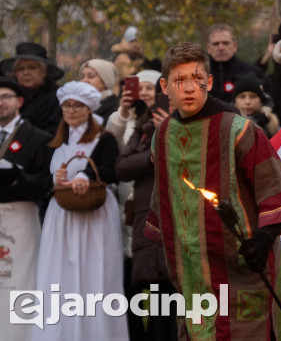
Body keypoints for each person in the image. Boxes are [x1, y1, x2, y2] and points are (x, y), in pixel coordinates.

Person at [145, 41, 281, 340]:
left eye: (196, 79)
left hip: (242, 266)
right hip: (190, 269)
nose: (189, 88)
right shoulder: (162, 135)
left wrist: (264, 238)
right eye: (180, 80)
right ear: (165, 86)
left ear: (208, 82)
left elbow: (273, 185)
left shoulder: (239, 130)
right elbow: (164, 196)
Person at [34, 81, 126, 339]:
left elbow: (111, 169)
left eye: (78, 106)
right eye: (67, 106)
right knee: (60, 274)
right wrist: (56, 179)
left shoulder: (103, 139)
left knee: (95, 272)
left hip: (95, 214)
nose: (71, 111)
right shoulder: (54, 140)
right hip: (61, 215)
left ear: (88, 109)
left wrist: (85, 176)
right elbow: (39, 178)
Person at [115, 88, 176, 341]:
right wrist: (151, 157)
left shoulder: (199, 124)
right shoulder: (145, 127)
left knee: (181, 297)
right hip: (148, 218)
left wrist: (172, 132)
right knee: (158, 293)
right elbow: (121, 167)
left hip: (182, 217)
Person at [0, 77, 52, 341]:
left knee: (19, 280)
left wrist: (18, 176)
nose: (0, 103)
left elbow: (45, 183)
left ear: (19, 102)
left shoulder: (38, 138)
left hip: (22, 217)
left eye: (5, 97)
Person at [0, 42, 62, 135]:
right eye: (20, 69)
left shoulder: (57, 100)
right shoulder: (10, 96)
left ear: (44, 71)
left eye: (32, 67)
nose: (26, 73)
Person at [106, 64, 162, 149]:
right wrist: (123, 113)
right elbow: (111, 143)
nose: (143, 93)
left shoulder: (166, 117)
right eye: (139, 89)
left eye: (150, 88)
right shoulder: (127, 117)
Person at [205, 23, 263, 102]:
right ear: (208, 47)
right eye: (215, 44)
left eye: (226, 43)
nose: (221, 48)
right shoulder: (199, 74)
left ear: (235, 46)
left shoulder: (253, 72)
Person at [77, 58, 121, 124]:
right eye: (82, 76)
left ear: (105, 81)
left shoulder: (114, 108)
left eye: (91, 76)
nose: (84, 80)